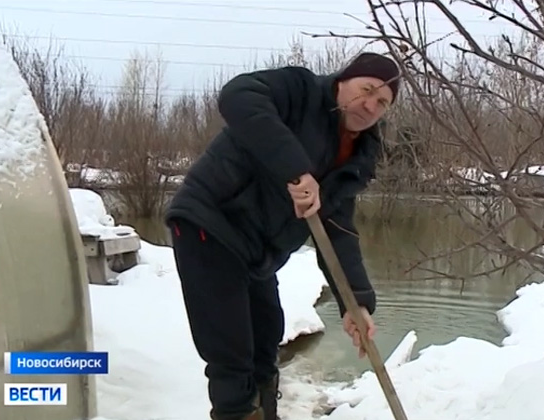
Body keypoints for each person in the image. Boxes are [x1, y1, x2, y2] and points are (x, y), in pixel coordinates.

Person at [164, 51, 401, 420]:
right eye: (365, 89)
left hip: (257, 253)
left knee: (265, 346)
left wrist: (356, 304)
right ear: (342, 82)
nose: (370, 105)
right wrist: (296, 169)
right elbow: (237, 96)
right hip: (210, 224)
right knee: (232, 355)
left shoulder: (357, 154)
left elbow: (337, 230)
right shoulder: (300, 91)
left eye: (382, 102)